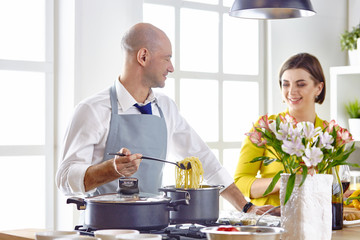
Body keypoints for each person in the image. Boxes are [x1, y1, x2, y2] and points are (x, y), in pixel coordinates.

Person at [56, 22, 273, 214]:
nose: (171, 67)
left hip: (154, 227)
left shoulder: (165, 107)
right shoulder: (92, 110)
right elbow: (65, 179)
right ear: (143, 57)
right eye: (167, 58)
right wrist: (111, 169)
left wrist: (247, 207)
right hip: (104, 229)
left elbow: (204, 160)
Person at [234, 52, 326, 206]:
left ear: (318, 88)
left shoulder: (330, 133)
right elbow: (240, 182)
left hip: (315, 220)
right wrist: (282, 181)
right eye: (286, 84)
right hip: (270, 221)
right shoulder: (265, 127)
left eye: (301, 84)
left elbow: (335, 187)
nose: (291, 91)